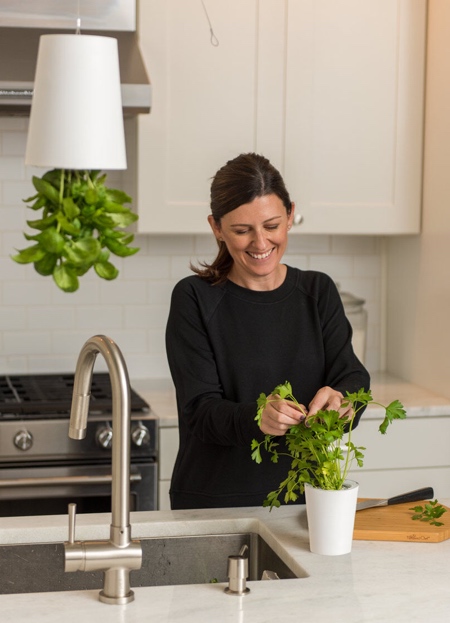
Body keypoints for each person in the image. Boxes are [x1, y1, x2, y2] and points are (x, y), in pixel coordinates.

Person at [165, 153, 370, 510]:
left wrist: (341, 400)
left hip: (307, 500)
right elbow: (200, 411)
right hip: (214, 503)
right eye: (242, 231)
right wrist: (258, 418)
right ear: (216, 227)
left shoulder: (317, 292)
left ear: (290, 215)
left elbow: (351, 374)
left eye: (271, 226)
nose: (260, 244)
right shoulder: (194, 298)